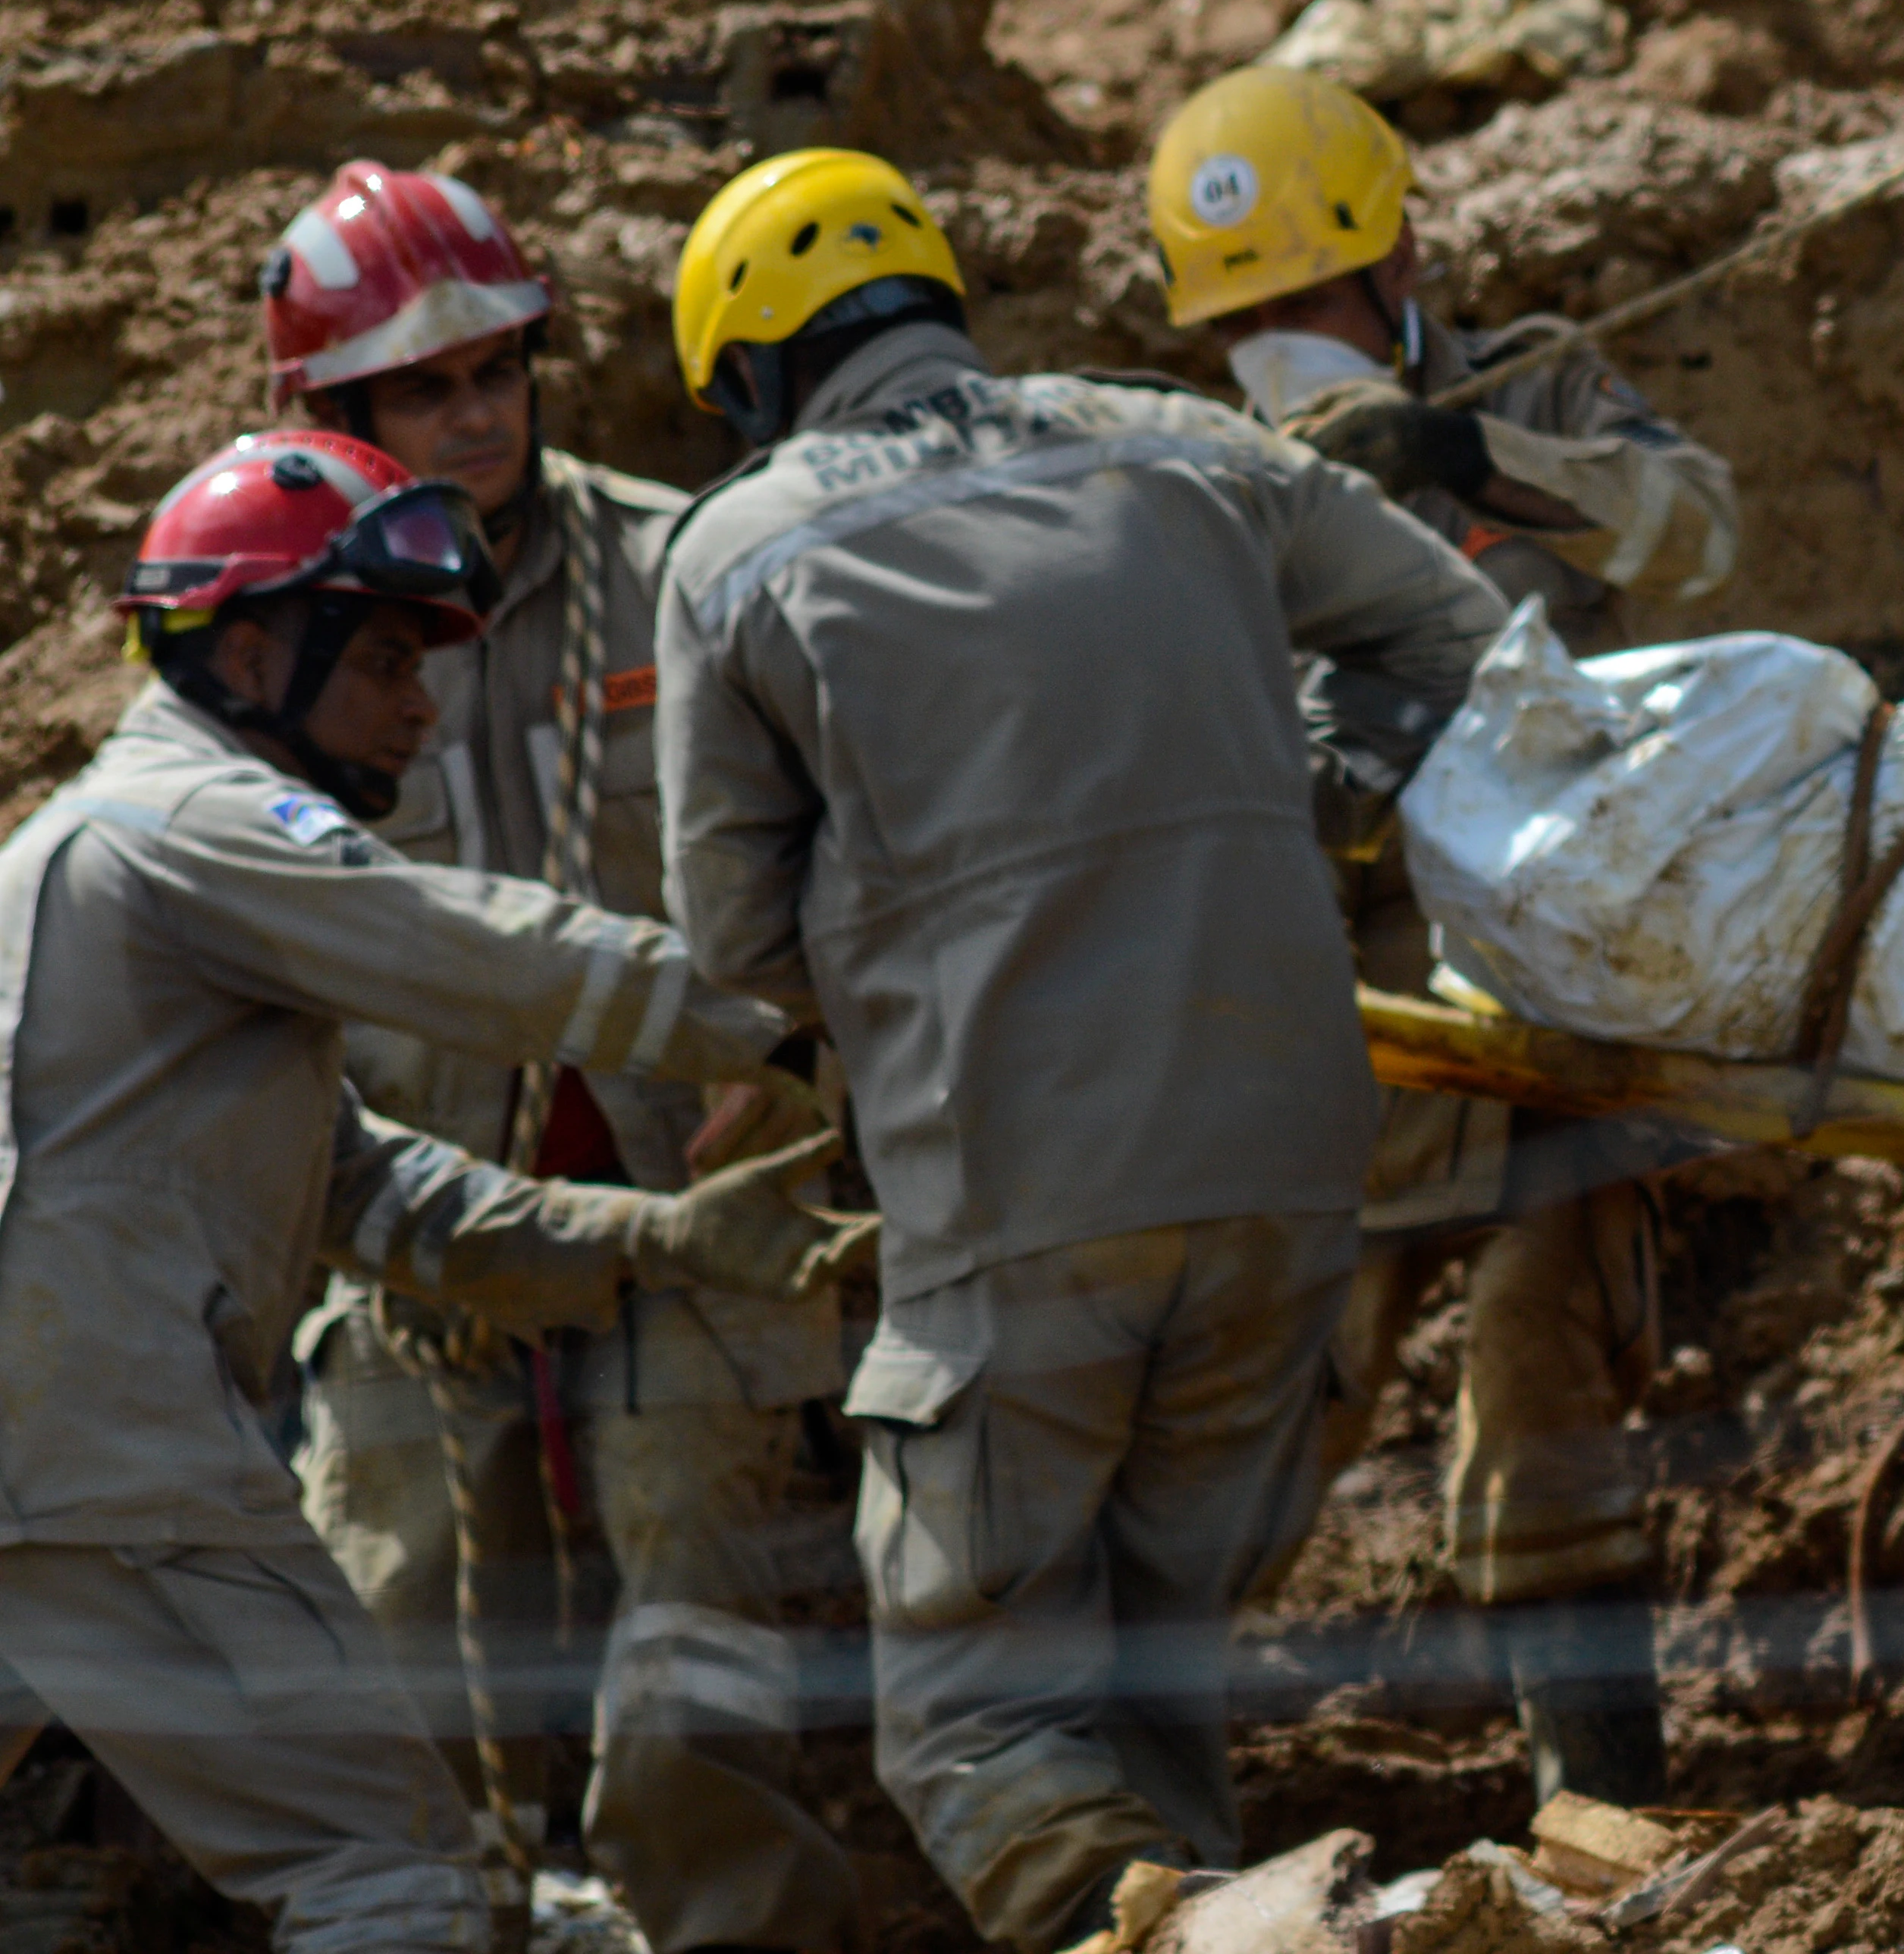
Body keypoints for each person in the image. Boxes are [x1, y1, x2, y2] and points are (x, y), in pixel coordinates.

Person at [652, 149, 1513, 1949]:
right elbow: (1456, 629)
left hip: (1013, 1192)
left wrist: (917, 951)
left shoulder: (739, 547)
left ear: (749, 368)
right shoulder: (1180, 443)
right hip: (1287, 1174)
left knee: (976, 1716)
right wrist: (1315, 803)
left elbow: (732, 935)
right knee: (1149, 1679)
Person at [0, 428, 863, 1954]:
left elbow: (377, 1199)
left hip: (45, 1460)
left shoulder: (129, 881)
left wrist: (663, 1235)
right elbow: (475, 955)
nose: (423, 704)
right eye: (387, 660)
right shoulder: (196, 825)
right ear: (251, 653)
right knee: (380, 1869)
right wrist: (784, 1020)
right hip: (102, 1444)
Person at [254, 165, 857, 1952]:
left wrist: (794, 1038)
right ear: (339, 412)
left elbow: (855, 834)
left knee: (697, 1618)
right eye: (428, 387)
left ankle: (735, 1929)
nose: (478, 412)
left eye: (499, 369)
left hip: (701, 1189)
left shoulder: (690, 566)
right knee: (393, 1609)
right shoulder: (277, 634)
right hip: (418, 1218)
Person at [1146, 63, 1741, 1805]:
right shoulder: (1198, 480)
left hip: (1558, 986)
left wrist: (1459, 451)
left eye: (1309, 301)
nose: (1282, 345)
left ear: (1398, 260)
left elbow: (1700, 532)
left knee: (1538, 1393)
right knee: (1266, 1420)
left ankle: (1604, 1808)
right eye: (1244, 319)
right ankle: (1119, 1796)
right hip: (1342, 1023)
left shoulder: (1530, 377)